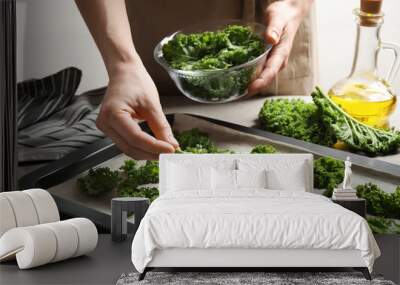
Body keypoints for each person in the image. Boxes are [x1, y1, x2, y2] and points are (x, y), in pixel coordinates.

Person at [75, 0, 313, 160]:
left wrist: (296, 4)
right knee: (156, 123)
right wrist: (123, 63)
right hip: (169, 16)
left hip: (280, 17)